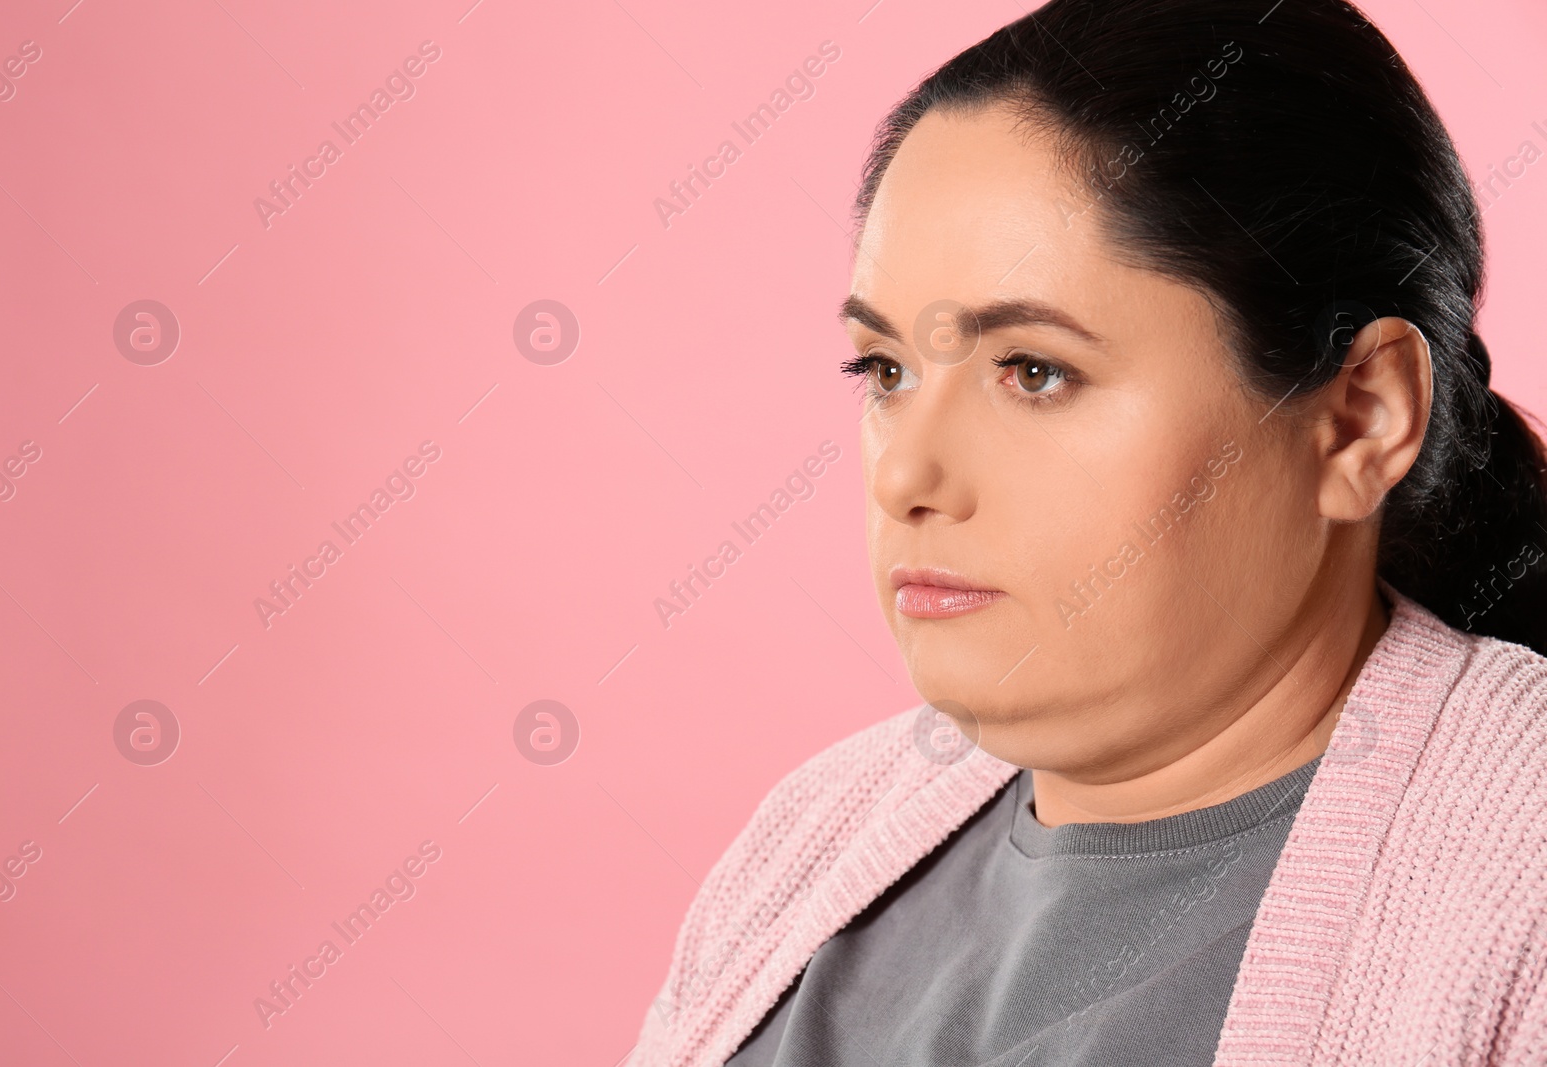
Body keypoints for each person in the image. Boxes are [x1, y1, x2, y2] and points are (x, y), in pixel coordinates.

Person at [628, 0, 1547, 1063]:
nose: (909, 475)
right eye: (886, 371)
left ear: (1357, 418)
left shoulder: (1515, 889)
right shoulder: (809, 837)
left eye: (1033, 371)